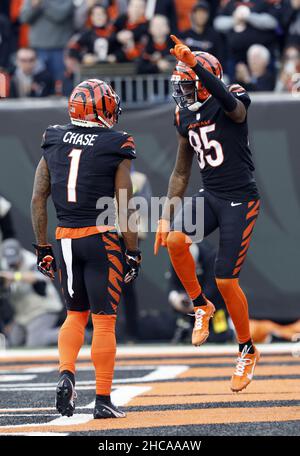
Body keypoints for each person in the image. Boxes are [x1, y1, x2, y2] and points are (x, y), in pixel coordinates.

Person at [154, 35, 260, 393]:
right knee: (175, 239)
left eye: (187, 84)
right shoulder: (183, 113)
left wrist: (197, 65)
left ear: (202, 81)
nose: (181, 92)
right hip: (211, 193)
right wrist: (166, 214)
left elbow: (236, 109)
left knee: (227, 280)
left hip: (240, 198)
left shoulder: (232, 95)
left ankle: (246, 348)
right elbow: (182, 170)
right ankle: (201, 305)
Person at [31, 78, 141, 419]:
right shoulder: (116, 142)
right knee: (104, 322)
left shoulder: (53, 137)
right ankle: (103, 399)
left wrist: (42, 247)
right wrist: (133, 250)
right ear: (102, 108)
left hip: (64, 237)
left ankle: (67, 373)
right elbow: (124, 203)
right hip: (101, 237)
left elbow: (38, 198)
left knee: (74, 315)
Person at [0, 238, 63, 347]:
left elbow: (42, 278)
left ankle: (76, 334)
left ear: (20, 253)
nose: (13, 263)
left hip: (43, 310)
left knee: (35, 342)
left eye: (15, 259)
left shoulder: (33, 260)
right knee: (12, 341)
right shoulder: (5, 263)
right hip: (23, 314)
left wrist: (15, 276)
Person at [20, 0, 74, 85]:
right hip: (37, 49)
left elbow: (60, 15)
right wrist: (34, 7)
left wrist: (42, 3)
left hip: (59, 49)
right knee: (38, 85)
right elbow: (24, 18)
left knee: (60, 84)